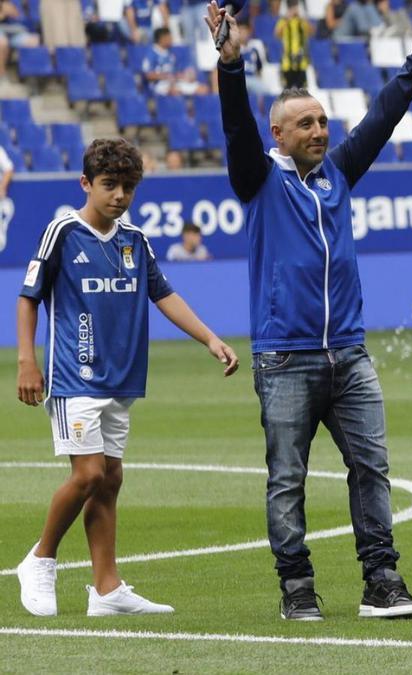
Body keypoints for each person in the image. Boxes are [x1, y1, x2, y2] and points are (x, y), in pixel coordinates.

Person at [207, 0, 412, 621]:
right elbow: (236, 128)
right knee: (288, 478)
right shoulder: (258, 179)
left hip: (351, 354)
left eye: (321, 120)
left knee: (372, 468)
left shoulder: (337, 172)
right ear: (278, 134)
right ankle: (297, 588)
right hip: (285, 357)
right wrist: (230, 66)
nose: (318, 129)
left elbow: (382, 118)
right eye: (304, 123)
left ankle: (382, 582)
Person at [13, 137, 239, 618]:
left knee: (110, 478)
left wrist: (210, 339)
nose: (118, 195)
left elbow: (164, 294)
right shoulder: (62, 232)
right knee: (89, 473)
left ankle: (106, 589)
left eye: (127, 187)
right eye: (109, 185)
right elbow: (28, 296)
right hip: (74, 376)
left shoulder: (134, 240)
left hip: (121, 380)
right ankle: (39, 559)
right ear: (86, 184)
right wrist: (26, 361)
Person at [143, 27, 209, 95]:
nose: (171, 40)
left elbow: (177, 71)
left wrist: (185, 76)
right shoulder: (152, 53)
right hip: (159, 85)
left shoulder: (170, 52)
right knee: (175, 92)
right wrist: (166, 76)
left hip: (175, 82)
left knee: (203, 89)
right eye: (169, 38)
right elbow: (148, 75)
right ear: (162, 39)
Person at [275, 0, 310, 89]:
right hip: (287, 63)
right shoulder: (283, 21)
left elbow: (312, 32)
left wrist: (303, 18)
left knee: (302, 92)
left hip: (301, 62)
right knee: (287, 92)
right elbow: (277, 34)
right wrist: (287, 19)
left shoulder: (301, 21)